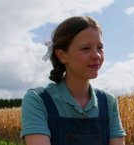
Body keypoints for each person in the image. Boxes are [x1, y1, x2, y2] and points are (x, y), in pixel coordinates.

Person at [20, 16, 126, 145]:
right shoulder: (38, 100)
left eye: (100, 47)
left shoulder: (109, 102)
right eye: (86, 48)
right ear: (62, 56)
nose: (96, 55)